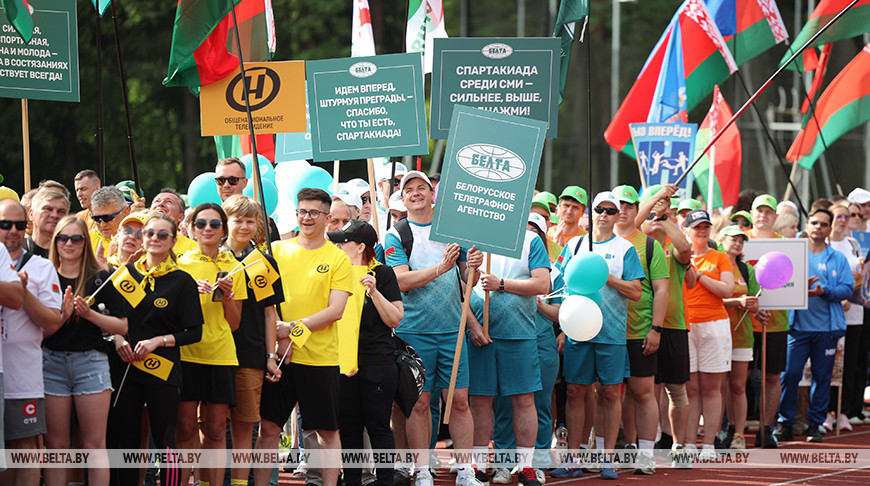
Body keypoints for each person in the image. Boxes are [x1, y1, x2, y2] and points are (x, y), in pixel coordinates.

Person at [383, 171, 484, 486]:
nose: (415, 193)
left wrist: (475, 267)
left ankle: (465, 471)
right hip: (414, 331)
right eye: (409, 189)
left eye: (421, 188)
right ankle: (423, 470)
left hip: (452, 331)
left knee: (460, 401)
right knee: (420, 403)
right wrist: (440, 267)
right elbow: (399, 280)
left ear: (432, 194)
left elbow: (468, 282)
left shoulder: (455, 231)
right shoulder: (396, 235)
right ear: (402, 199)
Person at [255, 188, 352, 486]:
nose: (306, 218)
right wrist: (277, 337)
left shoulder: (338, 259)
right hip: (279, 360)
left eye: (313, 213)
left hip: (320, 359)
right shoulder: (276, 252)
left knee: (326, 431)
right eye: (302, 211)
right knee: (269, 429)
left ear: (327, 218)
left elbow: (335, 310)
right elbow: (263, 302)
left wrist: (292, 329)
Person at [108, 213, 204, 486]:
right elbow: (106, 318)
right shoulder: (123, 275)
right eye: (149, 233)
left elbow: (194, 332)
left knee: (166, 440)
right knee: (124, 439)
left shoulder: (182, 281)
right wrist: (117, 339)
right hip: (124, 367)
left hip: (162, 367)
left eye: (163, 234)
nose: (154, 239)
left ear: (173, 240)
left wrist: (158, 341)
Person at [554, 191, 643, 480]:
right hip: (578, 331)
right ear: (590, 213)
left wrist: (606, 276)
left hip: (611, 333)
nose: (603, 215)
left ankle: (606, 457)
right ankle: (574, 457)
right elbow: (560, 281)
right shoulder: (575, 244)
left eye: (610, 210)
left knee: (608, 392)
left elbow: (636, 291)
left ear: (618, 216)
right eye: (598, 210)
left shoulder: (625, 248)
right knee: (574, 391)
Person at [466, 211, 550, 486]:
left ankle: (525, 467)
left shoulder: (530, 240)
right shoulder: (474, 237)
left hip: (520, 333)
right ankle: (478, 467)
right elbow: (462, 284)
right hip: (481, 333)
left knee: (524, 400)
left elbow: (542, 283)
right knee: (479, 401)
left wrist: (502, 284)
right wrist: (475, 271)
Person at [44, 216, 128, 486]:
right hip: (51, 362)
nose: (69, 243)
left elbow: (123, 325)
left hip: (91, 363)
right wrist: (62, 315)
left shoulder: (99, 278)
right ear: (55, 241)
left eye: (76, 238)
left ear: (85, 243)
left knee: (94, 445)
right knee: (57, 447)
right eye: (63, 238)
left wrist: (89, 314)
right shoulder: (43, 274)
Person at [328, 219, 404, 486]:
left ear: (361, 247)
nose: (336, 246)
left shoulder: (382, 274)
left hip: (377, 362)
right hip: (341, 361)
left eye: (343, 242)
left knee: (379, 427)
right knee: (349, 431)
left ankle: (385, 482)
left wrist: (373, 292)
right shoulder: (334, 272)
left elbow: (396, 319)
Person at [176, 203, 247, 486]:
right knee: (184, 429)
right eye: (201, 223)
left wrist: (227, 296)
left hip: (220, 355)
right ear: (191, 229)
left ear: (223, 231)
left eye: (214, 224)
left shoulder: (233, 266)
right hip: (186, 353)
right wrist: (189, 294)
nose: (208, 229)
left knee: (217, 431)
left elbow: (234, 323)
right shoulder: (179, 263)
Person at [489, 213, 560, 483]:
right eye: (527, 224)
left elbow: (548, 290)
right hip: (496, 333)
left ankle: (535, 462)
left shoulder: (536, 249)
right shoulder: (487, 241)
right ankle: (504, 463)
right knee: (502, 404)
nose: (529, 230)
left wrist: (506, 286)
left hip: (533, 336)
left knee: (533, 400)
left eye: (535, 228)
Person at [775, 208, 853, 443]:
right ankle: (786, 423)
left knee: (822, 377)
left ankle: (814, 425)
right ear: (806, 226)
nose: (818, 226)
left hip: (826, 330)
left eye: (823, 224)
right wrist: (798, 289)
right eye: (814, 222)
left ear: (829, 229)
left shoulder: (837, 258)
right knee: (790, 375)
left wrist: (824, 291)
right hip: (796, 328)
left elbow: (847, 289)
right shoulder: (793, 255)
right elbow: (779, 283)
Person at [221, 195, 285, 486]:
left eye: (250, 220)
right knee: (209, 426)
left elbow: (270, 314)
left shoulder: (263, 261)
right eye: (238, 220)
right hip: (209, 352)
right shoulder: (210, 256)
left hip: (249, 353)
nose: (245, 226)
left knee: (246, 426)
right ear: (226, 222)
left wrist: (270, 355)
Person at [0, 199, 61, 486]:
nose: (12, 231)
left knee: (24, 448)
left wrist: (22, 292)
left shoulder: (40, 267)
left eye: (19, 225)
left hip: (22, 374)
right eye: (4, 225)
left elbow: (52, 322)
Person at [611, 185, 668, 474]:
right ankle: (608, 451)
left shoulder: (649, 245)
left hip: (639, 330)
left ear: (637, 210)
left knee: (642, 392)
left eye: (629, 206)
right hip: (603, 332)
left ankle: (645, 454)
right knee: (604, 393)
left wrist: (656, 328)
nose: (621, 211)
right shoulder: (595, 242)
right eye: (616, 205)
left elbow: (661, 290)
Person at [634, 185, 692, 460]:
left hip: (673, 326)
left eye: (666, 205)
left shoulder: (671, 245)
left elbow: (685, 248)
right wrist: (654, 203)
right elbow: (634, 223)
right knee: (641, 389)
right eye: (653, 210)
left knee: (676, 390)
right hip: (641, 324)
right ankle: (641, 443)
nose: (655, 216)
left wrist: (664, 217)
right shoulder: (635, 243)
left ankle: (678, 446)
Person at [682, 209, 734, 460]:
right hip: (687, 325)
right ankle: (690, 443)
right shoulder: (678, 257)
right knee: (691, 388)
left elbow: (727, 290)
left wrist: (700, 274)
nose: (701, 231)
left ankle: (710, 444)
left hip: (715, 325)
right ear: (687, 231)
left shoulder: (719, 257)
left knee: (713, 387)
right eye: (696, 227)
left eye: (705, 227)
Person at [748, 194, 788, 447]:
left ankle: (766, 428)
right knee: (736, 379)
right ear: (751, 214)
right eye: (759, 210)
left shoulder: (786, 244)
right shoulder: (738, 241)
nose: (763, 215)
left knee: (772, 377)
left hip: (776, 322)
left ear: (775, 216)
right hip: (743, 323)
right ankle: (732, 429)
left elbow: (791, 284)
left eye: (768, 211)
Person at [825, 203, 866, 430]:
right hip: (830, 310)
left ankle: (843, 411)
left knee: (849, 363)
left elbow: (859, 276)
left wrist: (858, 276)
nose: (843, 219)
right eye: (838, 215)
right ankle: (826, 410)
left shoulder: (854, 244)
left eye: (846, 216)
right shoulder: (826, 244)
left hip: (854, 311)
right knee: (828, 363)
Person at [719, 226, 759, 451]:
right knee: (718, 385)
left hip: (742, 334)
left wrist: (752, 304)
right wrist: (736, 302)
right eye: (733, 239)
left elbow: (755, 304)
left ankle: (739, 435)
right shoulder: (714, 263)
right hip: (716, 331)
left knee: (737, 385)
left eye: (741, 240)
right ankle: (719, 430)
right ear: (722, 239)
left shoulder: (746, 269)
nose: (737, 243)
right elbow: (709, 300)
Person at [215, 157, 280, 242]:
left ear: (245, 183)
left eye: (233, 180)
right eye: (221, 180)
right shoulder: (210, 222)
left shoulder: (263, 221)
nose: (226, 185)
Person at [151, 188, 198, 255]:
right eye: (157, 201)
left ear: (181, 217)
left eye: (169, 202)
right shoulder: (137, 240)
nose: (160, 204)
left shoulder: (193, 248)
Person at [24, 189, 70, 258]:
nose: (54, 215)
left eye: (61, 211)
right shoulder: (14, 251)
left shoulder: (72, 254)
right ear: (31, 214)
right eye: (48, 209)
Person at [88, 186, 131, 258]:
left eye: (107, 218)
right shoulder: (86, 240)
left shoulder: (138, 240)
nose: (102, 225)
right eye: (96, 218)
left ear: (126, 212)